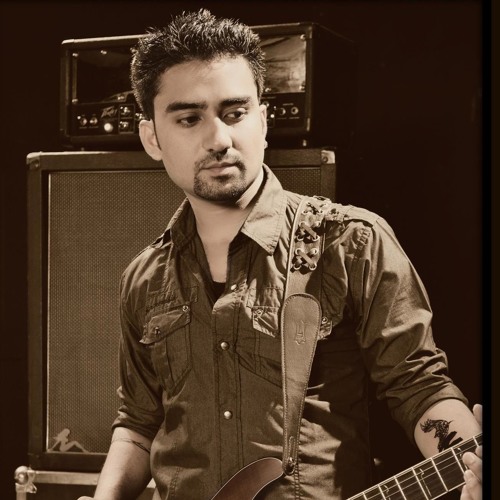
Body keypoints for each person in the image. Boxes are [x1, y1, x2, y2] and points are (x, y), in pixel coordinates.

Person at [79, 9, 483, 500]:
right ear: (152, 138)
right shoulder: (144, 278)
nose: (219, 139)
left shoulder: (351, 242)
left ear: (263, 121)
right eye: (189, 118)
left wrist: (470, 465)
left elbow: (419, 388)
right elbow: (139, 424)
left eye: (235, 113)